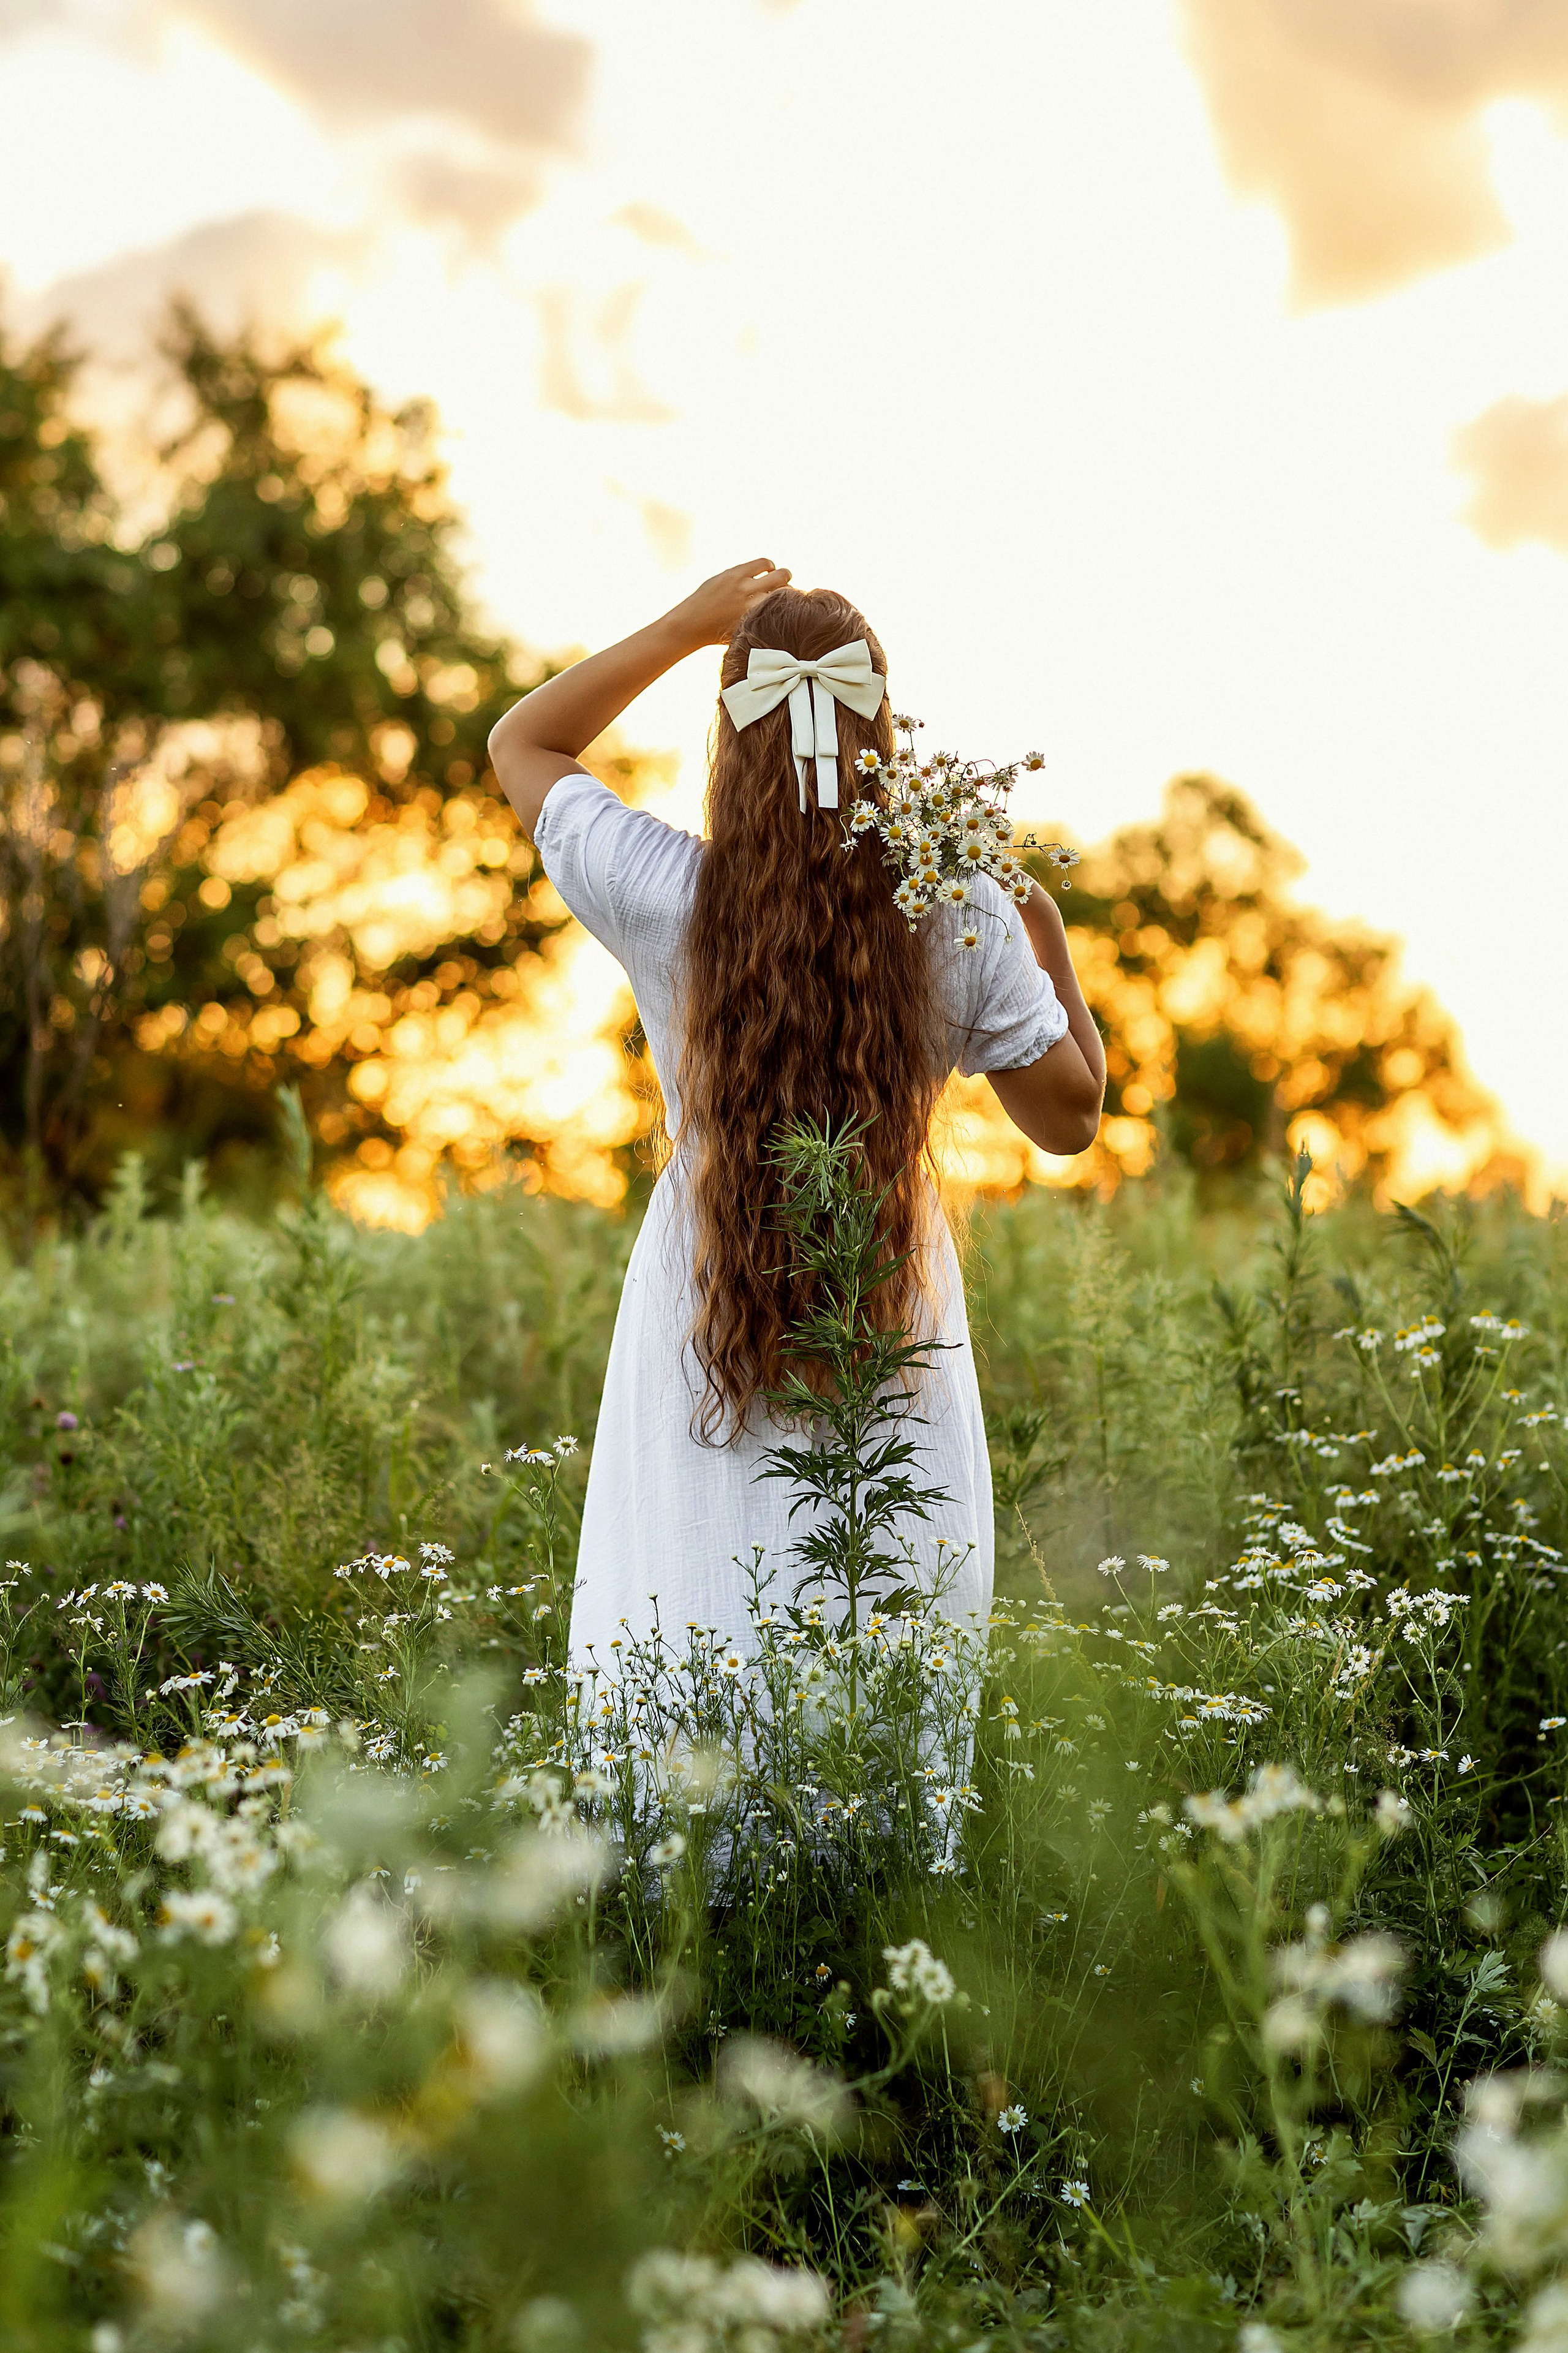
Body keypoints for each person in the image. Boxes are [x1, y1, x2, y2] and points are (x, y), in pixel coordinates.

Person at [488, 559, 1105, 1671]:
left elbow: (523, 746)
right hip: (893, 1328)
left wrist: (683, 627)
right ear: (880, 736)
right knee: (880, 1641)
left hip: (701, 1310)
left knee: (689, 1619)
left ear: (733, 738)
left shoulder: (659, 889)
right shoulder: (957, 909)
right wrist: (1042, 922)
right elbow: (1071, 1119)